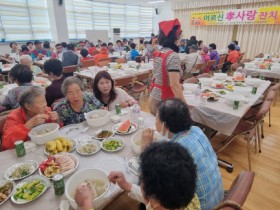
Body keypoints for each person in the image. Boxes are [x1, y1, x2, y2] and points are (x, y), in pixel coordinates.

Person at [141, 99, 224, 210]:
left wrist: (145, 148)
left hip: (201, 206)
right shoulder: (196, 130)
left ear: (165, 125)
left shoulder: (177, 150)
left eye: (156, 118)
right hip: (218, 197)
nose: (155, 122)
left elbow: (150, 178)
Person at [75, 142, 200, 210]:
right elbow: (156, 198)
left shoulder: (156, 203)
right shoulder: (188, 197)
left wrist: (87, 202)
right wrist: (127, 186)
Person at [149, 19, 186, 115]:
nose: (181, 37)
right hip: (164, 101)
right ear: (176, 36)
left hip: (154, 97)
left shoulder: (159, 52)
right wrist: (184, 106)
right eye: (180, 35)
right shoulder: (173, 55)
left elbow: (160, 75)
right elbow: (174, 85)